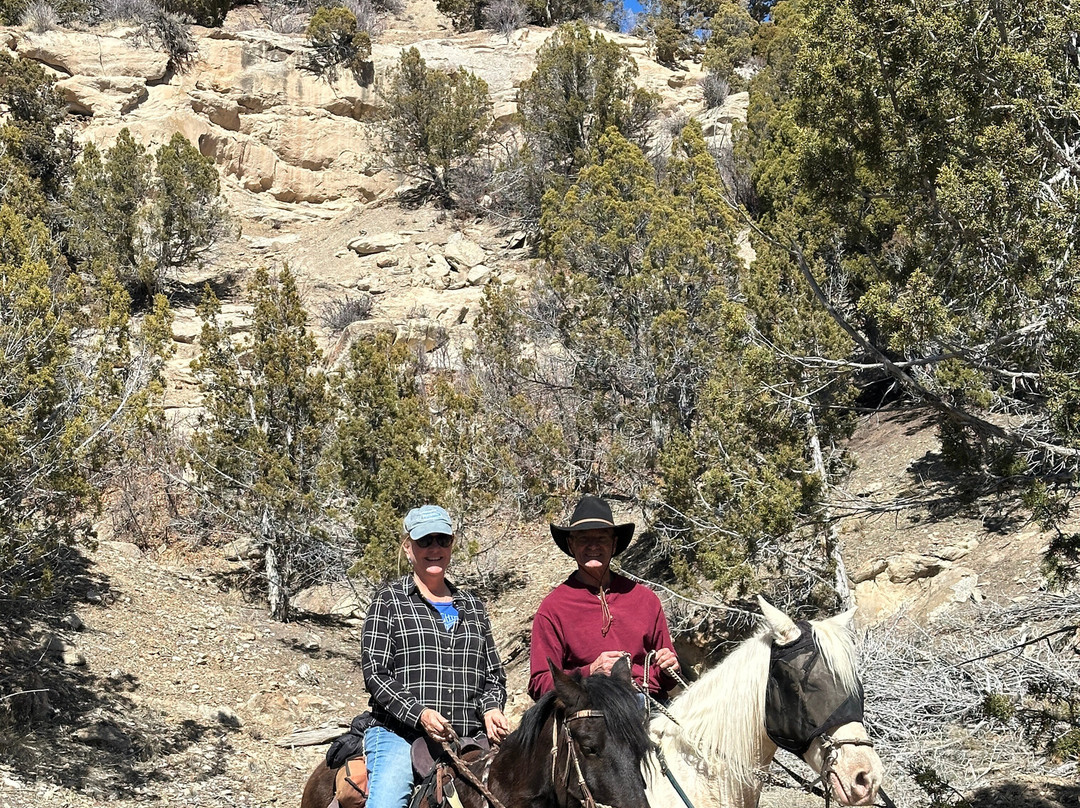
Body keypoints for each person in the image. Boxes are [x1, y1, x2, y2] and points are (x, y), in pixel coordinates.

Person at [361, 504, 509, 808]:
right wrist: (420, 714)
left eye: (442, 540)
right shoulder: (389, 601)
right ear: (408, 547)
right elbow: (376, 673)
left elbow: (493, 675)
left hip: (470, 735)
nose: (434, 548)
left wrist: (492, 708)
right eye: (424, 541)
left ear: (452, 544)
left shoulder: (473, 606)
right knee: (387, 803)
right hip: (400, 733)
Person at [528, 494, 680, 701]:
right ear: (571, 545)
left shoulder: (645, 599)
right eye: (584, 539)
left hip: (648, 702)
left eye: (601, 538)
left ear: (614, 544)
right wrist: (590, 672)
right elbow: (539, 684)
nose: (593, 546)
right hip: (590, 713)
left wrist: (669, 667)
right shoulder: (553, 609)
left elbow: (668, 680)